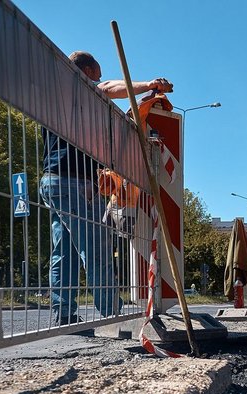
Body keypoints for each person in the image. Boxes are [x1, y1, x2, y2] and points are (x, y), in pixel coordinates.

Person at [39, 51, 172, 326]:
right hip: (77, 183)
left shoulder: (55, 98)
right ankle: (112, 313)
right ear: (86, 71)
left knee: (63, 252)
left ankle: (64, 313)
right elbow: (109, 87)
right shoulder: (81, 89)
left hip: (52, 181)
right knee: (96, 248)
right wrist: (149, 85)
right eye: (95, 76)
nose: (97, 82)